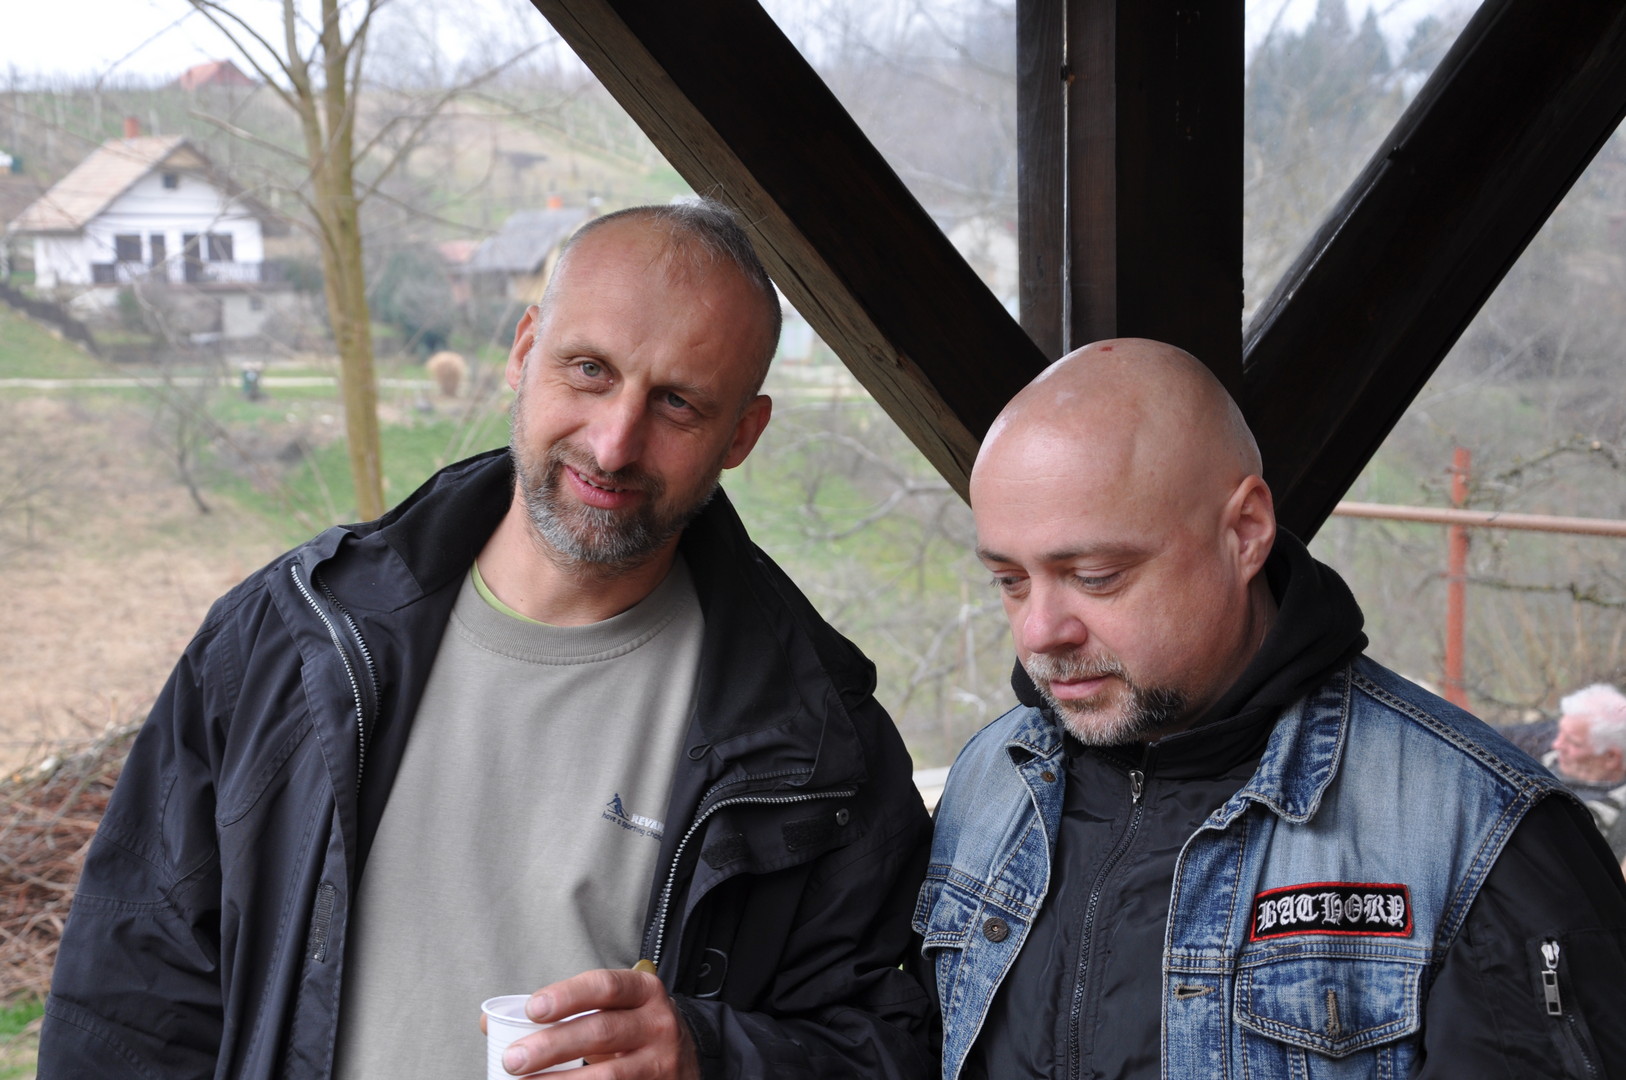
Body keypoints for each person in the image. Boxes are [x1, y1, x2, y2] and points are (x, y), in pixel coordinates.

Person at [38, 200, 933, 1080]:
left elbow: (889, 1048)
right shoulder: (286, 638)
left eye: (677, 404)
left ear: (742, 433)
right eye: (589, 370)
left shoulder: (819, 745)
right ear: (523, 349)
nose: (614, 443)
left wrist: (711, 1059)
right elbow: (130, 1008)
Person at [915, 338, 1626, 1079]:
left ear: (1245, 532)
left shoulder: (1479, 831)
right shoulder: (988, 782)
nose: (1039, 631)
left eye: (1095, 576)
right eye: (1010, 581)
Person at [1546, 683, 1626, 863]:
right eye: (1560, 733)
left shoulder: (1613, 816)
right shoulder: (1552, 756)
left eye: (1573, 742)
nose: (1556, 745)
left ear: (1611, 757)